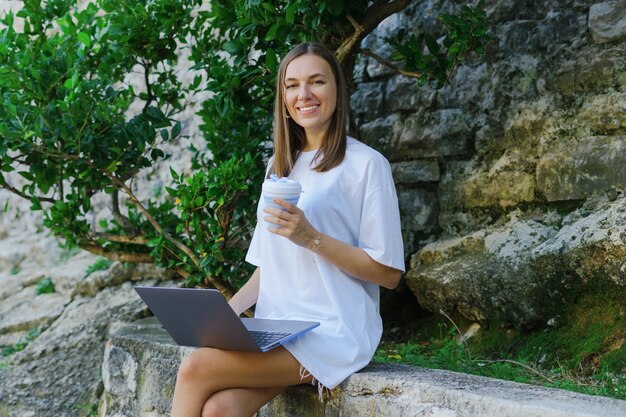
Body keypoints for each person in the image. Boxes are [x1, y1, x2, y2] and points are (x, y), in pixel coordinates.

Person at [170, 42, 405, 417]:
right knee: (220, 410)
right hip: (280, 329)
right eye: (292, 85)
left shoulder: (367, 165)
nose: (304, 94)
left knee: (195, 367)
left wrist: (310, 237)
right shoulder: (279, 168)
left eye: (316, 82)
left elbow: (389, 273)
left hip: (332, 333)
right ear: (283, 98)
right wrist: (222, 318)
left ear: (337, 91)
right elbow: (269, 267)